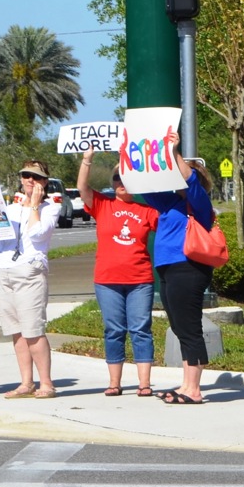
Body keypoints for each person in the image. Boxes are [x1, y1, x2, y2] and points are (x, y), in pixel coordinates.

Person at [136, 132, 216, 404]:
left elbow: (189, 178)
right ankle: (186, 384)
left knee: (190, 326)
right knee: (179, 326)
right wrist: (130, 155)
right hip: (168, 269)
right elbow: (144, 186)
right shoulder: (170, 203)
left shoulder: (199, 202)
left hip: (189, 268)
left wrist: (174, 151)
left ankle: (194, 389)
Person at [79, 148, 159, 397]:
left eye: (127, 179)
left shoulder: (147, 210)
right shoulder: (102, 205)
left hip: (140, 281)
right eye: (117, 179)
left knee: (140, 329)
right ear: (112, 184)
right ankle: (114, 383)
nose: (122, 183)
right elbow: (82, 187)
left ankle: (144, 383)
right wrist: (87, 159)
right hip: (107, 281)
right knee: (113, 330)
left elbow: (168, 220)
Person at [0, 160, 61, 399]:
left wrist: (34, 206)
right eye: (27, 176)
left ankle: (46, 383)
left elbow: (38, 233)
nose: (31, 181)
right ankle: (26, 382)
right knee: (16, 330)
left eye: (37, 177)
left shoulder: (50, 207)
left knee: (33, 329)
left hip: (30, 269)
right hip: (5, 267)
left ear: (45, 182)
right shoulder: (11, 207)